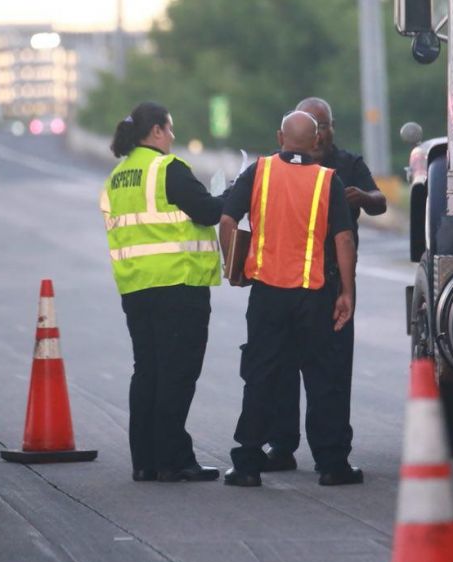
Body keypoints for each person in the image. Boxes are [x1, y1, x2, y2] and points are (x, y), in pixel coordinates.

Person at [220, 110, 363, 487]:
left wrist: (233, 268)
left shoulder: (258, 172)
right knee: (323, 379)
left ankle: (247, 464)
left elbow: (227, 220)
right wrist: (347, 291)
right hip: (314, 295)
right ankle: (332, 465)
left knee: (261, 376)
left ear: (280, 136)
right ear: (316, 141)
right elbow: (343, 239)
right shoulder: (327, 180)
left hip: (267, 295)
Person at [261, 97, 387, 472]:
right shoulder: (274, 166)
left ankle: (332, 455)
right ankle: (281, 446)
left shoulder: (347, 165)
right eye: (313, 124)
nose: (319, 132)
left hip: (328, 282)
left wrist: (362, 197)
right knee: (280, 370)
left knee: (330, 374)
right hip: (284, 280)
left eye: (325, 124)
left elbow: (378, 202)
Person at [100, 101, 224, 483]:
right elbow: (206, 212)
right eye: (169, 129)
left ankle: (146, 460)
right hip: (178, 285)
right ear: (155, 131)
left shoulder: (117, 176)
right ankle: (174, 459)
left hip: (136, 286)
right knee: (177, 374)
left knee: (148, 372)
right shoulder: (167, 169)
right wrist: (233, 194)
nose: (172, 136)